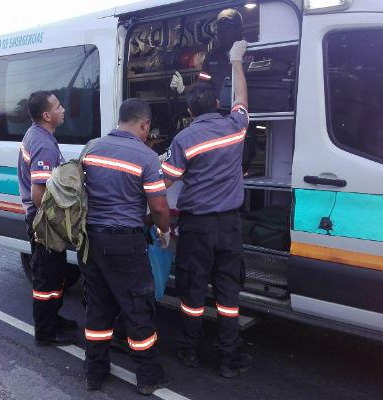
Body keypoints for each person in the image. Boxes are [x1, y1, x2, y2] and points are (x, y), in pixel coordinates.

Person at [162, 40, 252, 378]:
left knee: (192, 291)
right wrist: (236, 61)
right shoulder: (234, 127)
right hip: (229, 226)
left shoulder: (183, 141)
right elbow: (242, 99)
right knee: (228, 294)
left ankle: (188, 351)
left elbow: (166, 183)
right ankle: (229, 357)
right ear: (217, 104)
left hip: (196, 228)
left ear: (189, 113)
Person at [80, 98, 171, 395]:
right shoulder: (146, 157)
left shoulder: (92, 148)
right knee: (137, 309)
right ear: (144, 124)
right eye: (148, 128)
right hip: (125, 245)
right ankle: (148, 377)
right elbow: (158, 208)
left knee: (98, 309)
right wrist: (164, 230)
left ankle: (94, 373)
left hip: (91, 240)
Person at [17, 90, 78, 347]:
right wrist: (57, 225)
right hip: (45, 224)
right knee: (46, 280)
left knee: (55, 275)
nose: (62, 109)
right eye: (58, 106)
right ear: (47, 115)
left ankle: (53, 319)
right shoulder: (43, 143)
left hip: (43, 222)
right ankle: (46, 332)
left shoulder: (38, 135)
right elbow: (38, 193)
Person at [170, 8, 245, 114]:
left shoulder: (253, 52)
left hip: (246, 115)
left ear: (239, 30)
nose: (221, 35)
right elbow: (203, 84)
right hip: (219, 116)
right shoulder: (212, 56)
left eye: (225, 30)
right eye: (219, 31)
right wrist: (183, 88)